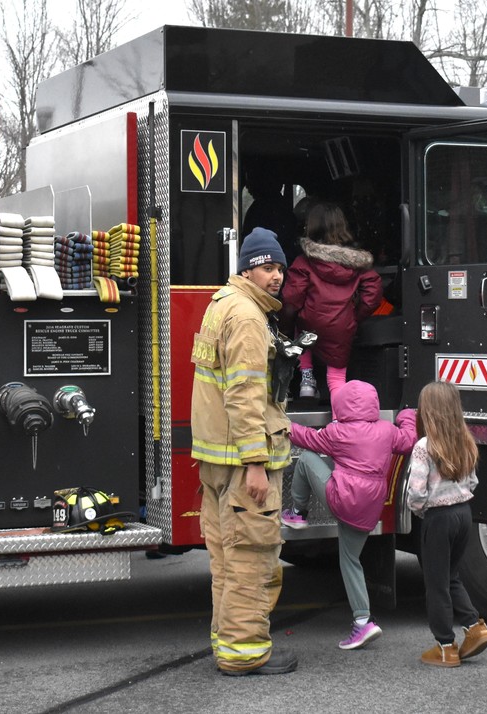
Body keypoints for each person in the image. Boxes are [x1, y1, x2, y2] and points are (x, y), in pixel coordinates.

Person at [190, 227, 296, 676]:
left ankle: (227, 645)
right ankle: (245, 653)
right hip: (241, 464)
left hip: (216, 460)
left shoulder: (221, 305)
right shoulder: (249, 318)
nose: (276, 277)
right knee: (251, 560)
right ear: (247, 268)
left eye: (280, 269)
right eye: (267, 267)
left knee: (227, 562)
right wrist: (256, 463)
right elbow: (245, 395)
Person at [281, 380, 417, 649]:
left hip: (343, 500)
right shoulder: (387, 431)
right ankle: (362, 621)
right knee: (350, 560)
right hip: (370, 507)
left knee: (308, 459)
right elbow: (409, 440)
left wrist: (282, 424)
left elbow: (306, 438)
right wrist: (407, 415)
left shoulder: (338, 433)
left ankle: (298, 511)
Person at [406, 380, 487, 668]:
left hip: (439, 519)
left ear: (426, 411)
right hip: (463, 514)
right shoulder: (465, 440)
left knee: (436, 584)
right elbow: (474, 481)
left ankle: (445, 645)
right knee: (451, 576)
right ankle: (474, 626)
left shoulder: (424, 447)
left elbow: (416, 491)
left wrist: (419, 512)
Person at [280, 201, 381, 400]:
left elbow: (292, 299)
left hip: (311, 322)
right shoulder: (358, 264)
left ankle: (306, 379)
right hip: (341, 327)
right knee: (336, 379)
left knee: (302, 328)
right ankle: (338, 420)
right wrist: (353, 316)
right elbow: (373, 292)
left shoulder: (304, 262)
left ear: (311, 226)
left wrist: (284, 325)